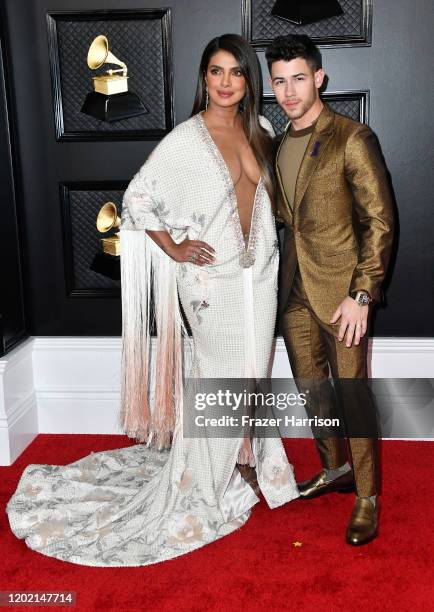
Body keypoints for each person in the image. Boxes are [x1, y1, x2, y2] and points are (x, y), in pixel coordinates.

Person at [6, 34, 298, 567]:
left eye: (236, 72)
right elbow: (137, 198)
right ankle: (203, 479)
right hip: (211, 285)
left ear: (248, 80)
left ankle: (242, 456)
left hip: (258, 277)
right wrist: (177, 247)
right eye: (216, 71)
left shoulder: (263, 132)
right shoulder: (186, 140)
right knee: (219, 375)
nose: (226, 81)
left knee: (253, 372)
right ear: (204, 78)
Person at [266, 34, 394, 545]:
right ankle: (334, 468)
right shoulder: (277, 144)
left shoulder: (351, 137)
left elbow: (380, 221)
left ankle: (367, 495)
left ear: (319, 78)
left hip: (343, 295)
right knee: (312, 390)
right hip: (294, 288)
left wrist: (362, 294)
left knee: (353, 396)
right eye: (279, 80)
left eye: (299, 77)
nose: (289, 91)